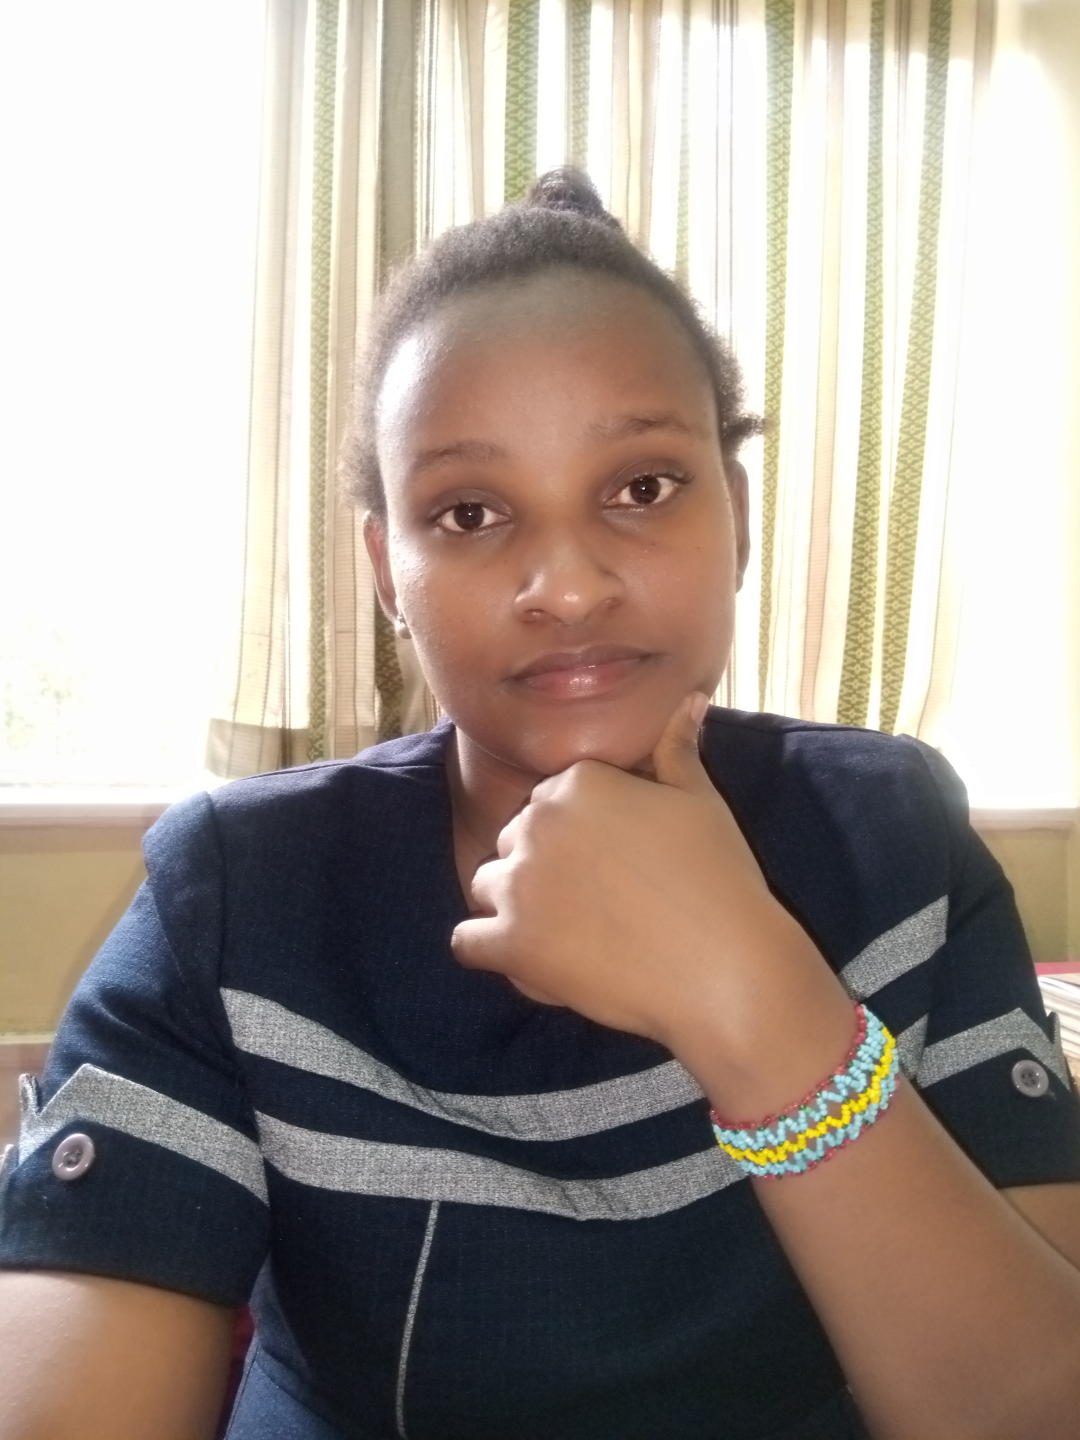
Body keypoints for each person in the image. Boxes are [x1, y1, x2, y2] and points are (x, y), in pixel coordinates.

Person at [2, 168, 1080, 1440]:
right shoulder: (240, 896)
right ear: (388, 571)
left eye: (642, 487)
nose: (566, 587)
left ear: (736, 515)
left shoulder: (895, 839)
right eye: (470, 512)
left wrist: (758, 1003)